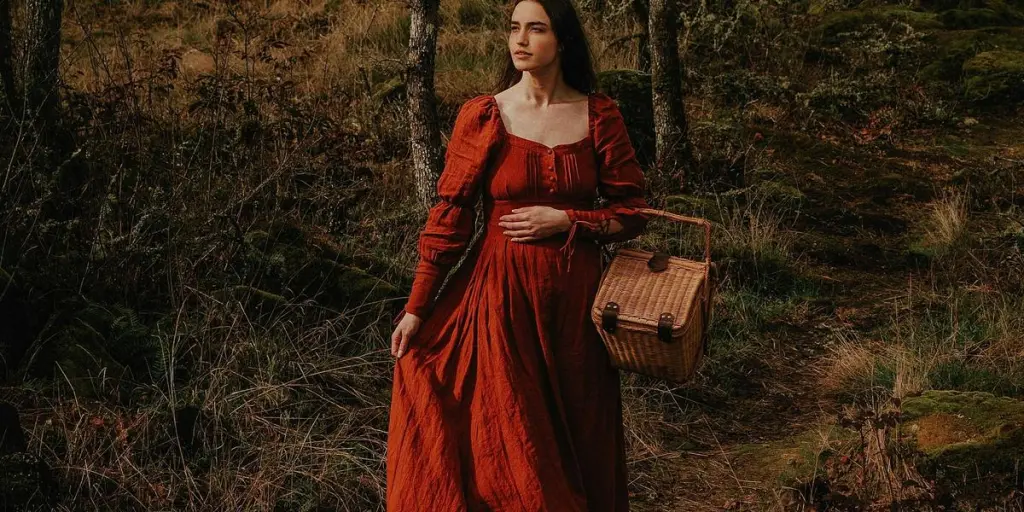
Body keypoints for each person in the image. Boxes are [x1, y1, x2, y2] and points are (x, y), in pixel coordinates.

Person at [386, 0, 650, 510]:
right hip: (501, 298)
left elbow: (632, 213)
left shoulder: (600, 115)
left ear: (564, 41)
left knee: (579, 434)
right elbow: (451, 216)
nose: (520, 40)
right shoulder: (487, 114)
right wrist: (418, 306)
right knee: (513, 440)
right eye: (513, 29)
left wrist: (570, 219)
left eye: (536, 28)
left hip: (578, 307)